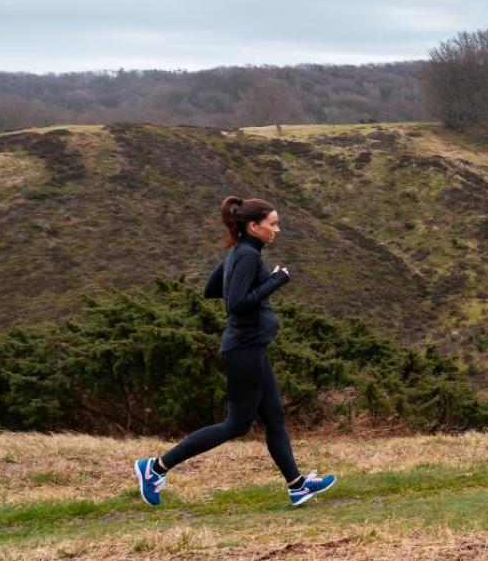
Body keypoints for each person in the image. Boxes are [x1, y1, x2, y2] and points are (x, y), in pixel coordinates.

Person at [133, 196, 336, 507]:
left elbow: (211, 289)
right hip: (244, 348)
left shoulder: (239, 253)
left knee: (274, 417)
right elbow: (236, 303)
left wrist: (245, 277)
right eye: (272, 224)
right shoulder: (246, 256)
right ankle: (156, 468)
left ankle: (297, 485)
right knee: (236, 424)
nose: (277, 230)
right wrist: (276, 280)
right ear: (253, 226)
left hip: (252, 346)